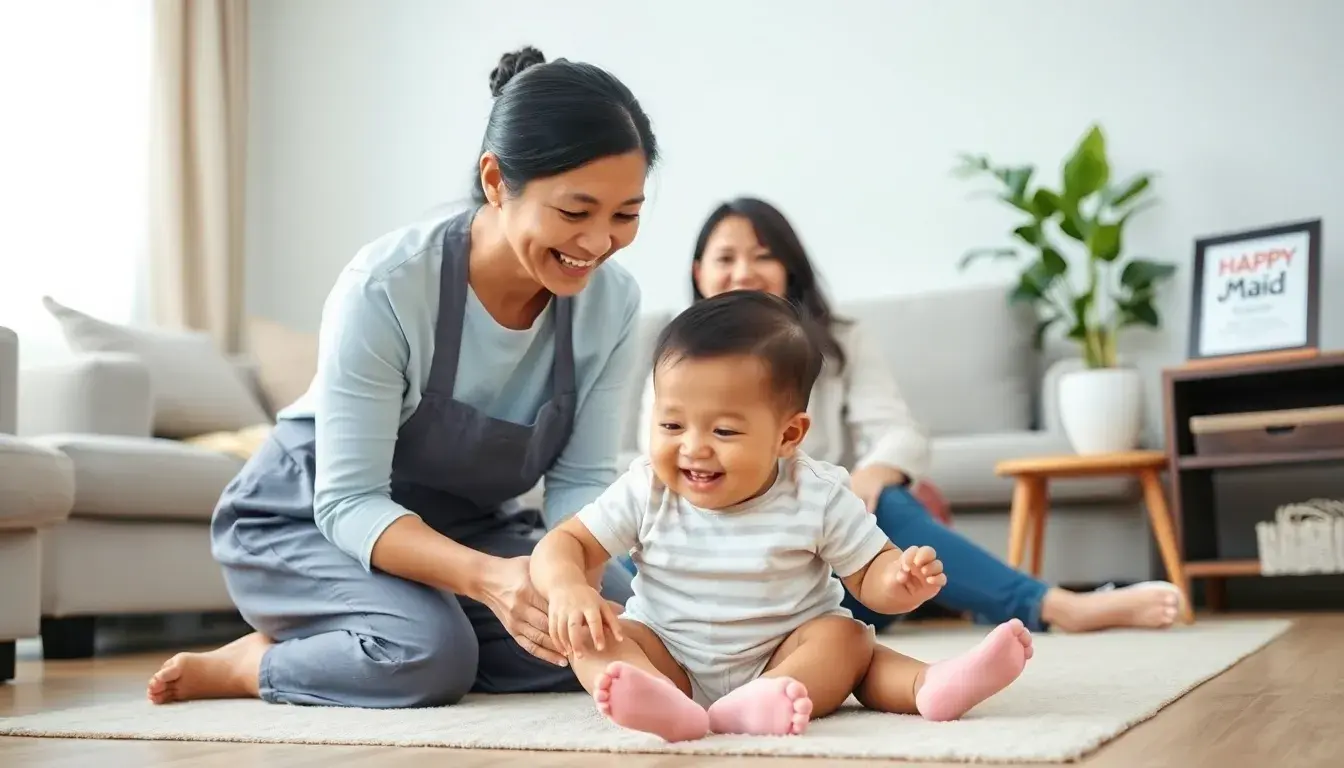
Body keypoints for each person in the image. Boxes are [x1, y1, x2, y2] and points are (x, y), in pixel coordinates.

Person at [146, 46, 658, 708]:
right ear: (498, 180)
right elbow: (347, 500)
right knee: (427, 655)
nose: (597, 242)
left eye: (625, 215)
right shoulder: (388, 286)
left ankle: (383, 643)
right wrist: (490, 581)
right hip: (305, 517)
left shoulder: (612, 303)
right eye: (574, 211)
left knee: (626, 625)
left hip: (466, 530)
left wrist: (569, 579)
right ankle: (253, 665)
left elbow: (581, 482)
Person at [634, 196, 1185, 634]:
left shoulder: (841, 339)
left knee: (887, 503)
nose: (743, 271)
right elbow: (659, 461)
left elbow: (898, 431)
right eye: (726, 258)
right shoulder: (677, 357)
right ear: (699, 271)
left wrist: (872, 476)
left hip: (839, 567)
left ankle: (1058, 607)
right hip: (714, 583)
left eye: (762, 255)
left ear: (789, 268)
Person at [531, 291, 1033, 742]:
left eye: (724, 432)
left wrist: (898, 581)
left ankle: (930, 686)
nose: (692, 448)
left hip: (787, 655)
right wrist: (568, 588)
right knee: (595, 637)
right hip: (667, 655)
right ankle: (658, 702)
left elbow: (868, 571)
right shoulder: (647, 488)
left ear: (788, 436)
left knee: (849, 640)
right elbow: (565, 542)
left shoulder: (815, 493)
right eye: (671, 424)